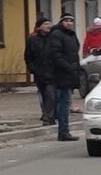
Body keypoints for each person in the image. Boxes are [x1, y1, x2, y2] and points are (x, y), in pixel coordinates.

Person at [47, 12, 82, 142]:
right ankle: (63, 131)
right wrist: (68, 67)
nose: (69, 23)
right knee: (63, 103)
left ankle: (64, 130)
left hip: (69, 74)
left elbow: (74, 54)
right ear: (61, 22)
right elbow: (56, 55)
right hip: (61, 74)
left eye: (71, 21)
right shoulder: (57, 35)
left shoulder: (71, 35)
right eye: (66, 21)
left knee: (64, 103)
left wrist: (75, 70)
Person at [25, 17, 56, 125]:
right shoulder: (33, 39)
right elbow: (28, 56)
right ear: (39, 27)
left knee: (50, 94)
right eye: (45, 24)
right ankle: (48, 115)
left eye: (49, 23)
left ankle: (48, 117)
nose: (48, 26)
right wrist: (33, 69)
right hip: (40, 72)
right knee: (44, 95)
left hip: (53, 72)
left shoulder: (54, 38)